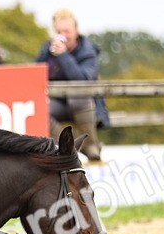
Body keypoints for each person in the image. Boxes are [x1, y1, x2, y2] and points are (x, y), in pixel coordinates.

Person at [35, 8, 109, 162]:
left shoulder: (88, 51)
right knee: (39, 109)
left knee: (77, 97)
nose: (63, 36)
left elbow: (82, 80)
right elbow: (36, 74)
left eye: (67, 31)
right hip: (56, 103)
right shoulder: (46, 49)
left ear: (77, 31)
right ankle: (71, 146)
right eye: (58, 31)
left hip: (84, 105)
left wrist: (63, 56)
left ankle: (90, 146)